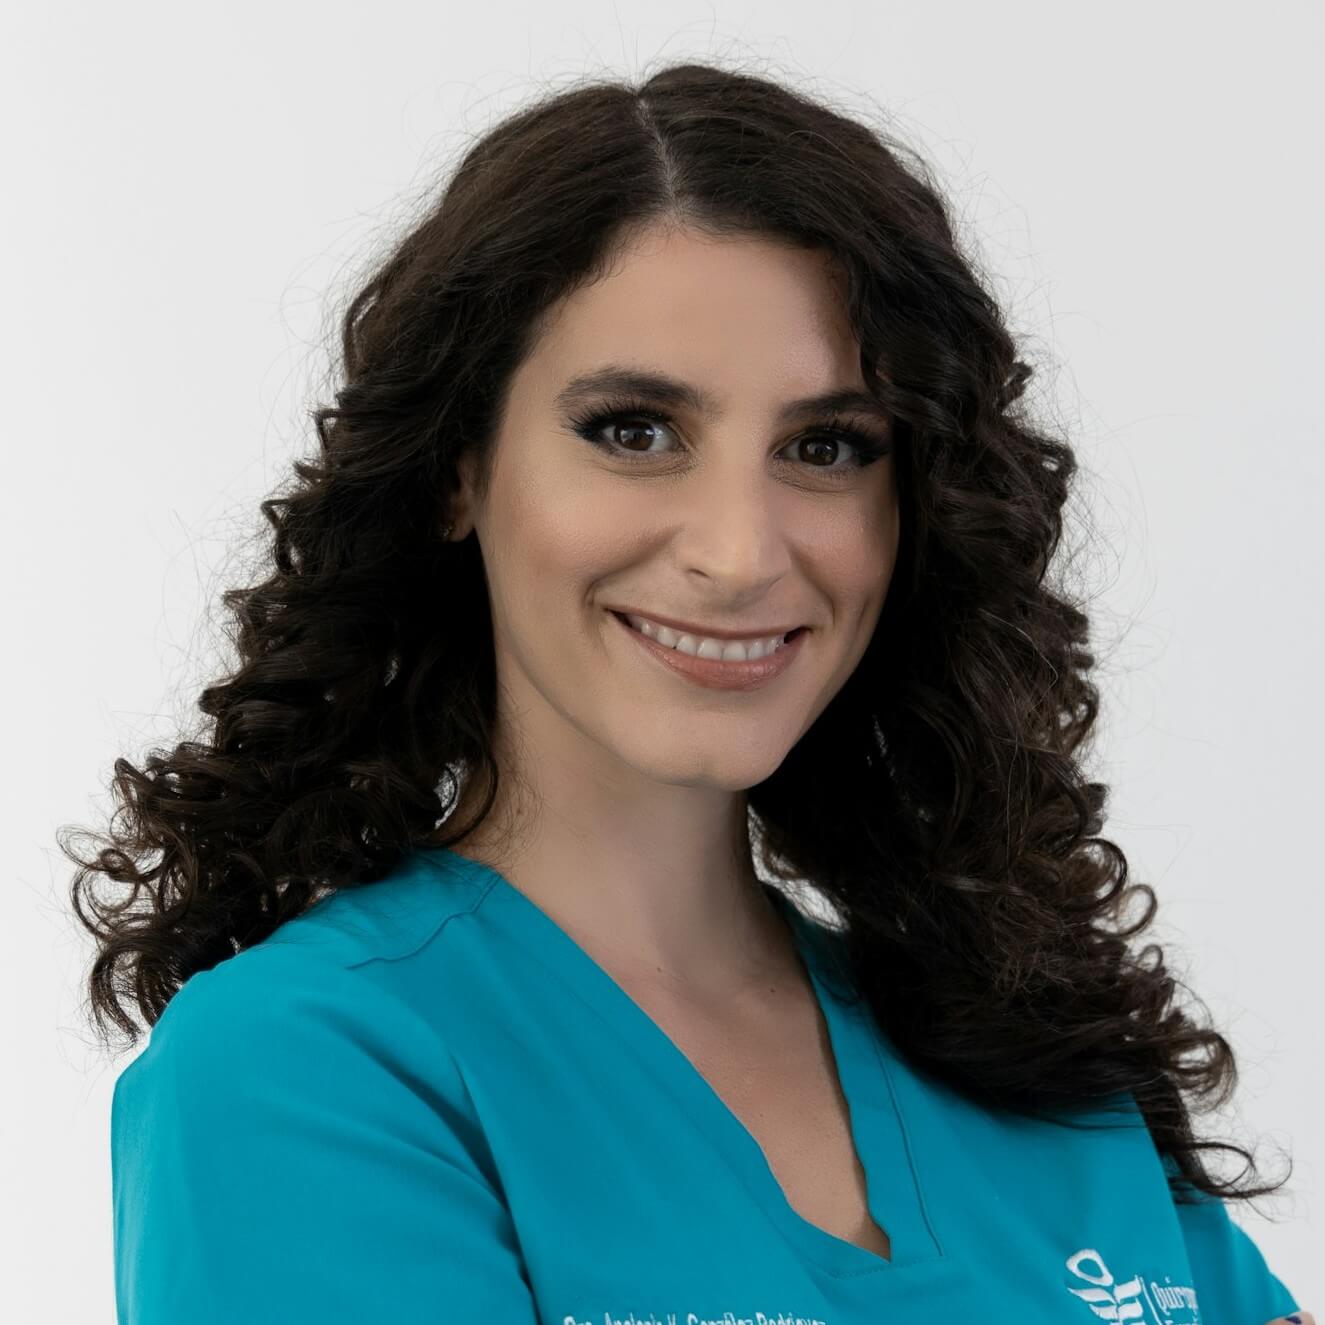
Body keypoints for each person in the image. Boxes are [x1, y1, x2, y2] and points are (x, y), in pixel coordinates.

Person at [64, 60, 1307, 1324]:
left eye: (824, 446)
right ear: (457, 469)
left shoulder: (1037, 1055)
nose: (739, 551)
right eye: (633, 430)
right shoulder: (304, 1069)